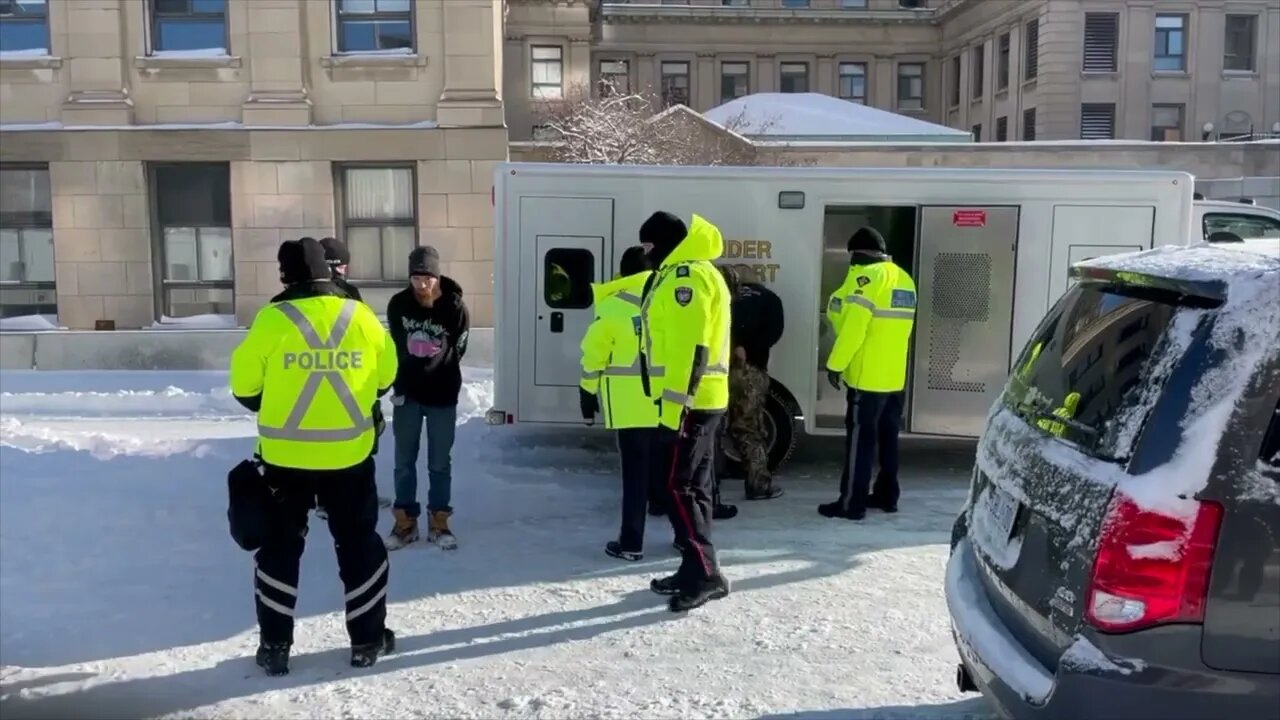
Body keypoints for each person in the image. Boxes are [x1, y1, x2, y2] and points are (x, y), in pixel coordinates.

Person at [229, 237, 398, 676]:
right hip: (349, 456)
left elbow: (245, 391)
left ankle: (275, 648)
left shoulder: (271, 320)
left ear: (285, 276)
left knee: (280, 549)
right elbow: (386, 380)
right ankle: (367, 640)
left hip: (285, 460)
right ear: (328, 271)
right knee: (358, 545)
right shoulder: (359, 315)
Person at [638, 210, 733, 612]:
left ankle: (706, 572)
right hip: (701, 399)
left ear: (665, 243)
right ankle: (694, 568)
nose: (645, 254)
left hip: (689, 403)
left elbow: (687, 348)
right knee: (693, 486)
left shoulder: (685, 279)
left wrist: (676, 406)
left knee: (678, 487)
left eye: (648, 246)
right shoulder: (693, 271)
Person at [819, 227, 917, 521]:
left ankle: (851, 503)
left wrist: (835, 364)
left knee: (860, 443)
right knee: (888, 440)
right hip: (894, 378)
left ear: (857, 253)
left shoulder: (867, 278)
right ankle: (887, 496)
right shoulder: (904, 279)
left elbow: (854, 330)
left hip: (866, 378)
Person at [384, 245, 470, 551]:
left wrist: (439, 370)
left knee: (439, 463)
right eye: (416, 278)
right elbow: (394, 344)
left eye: (427, 278)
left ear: (437, 276)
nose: (422, 284)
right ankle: (405, 523)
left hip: (442, 395)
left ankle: (439, 522)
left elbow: (460, 347)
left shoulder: (454, 306)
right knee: (403, 462)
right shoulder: (398, 304)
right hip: (407, 393)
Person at [579, 246, 662, 562]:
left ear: (622, 272)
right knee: (673, 476)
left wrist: (587, 392)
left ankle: (631, 543)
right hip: (666, 404)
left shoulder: (613, 307)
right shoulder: (666, 303)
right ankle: (686, 540)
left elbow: (593, 356)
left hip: (629, 409)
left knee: (634, 478)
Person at [314, 236, 389, 517]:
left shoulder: (304, 295)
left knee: (323, 437)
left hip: (317, 375)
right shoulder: (347, 294)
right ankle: (354, 496)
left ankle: (324, 499)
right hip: (350, 375)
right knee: (360, 437)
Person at [719, 264, 785, 501]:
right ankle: (758, 485)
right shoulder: (770, 299)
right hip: (752, 372)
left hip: (719, 372)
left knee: (714, 427)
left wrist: (735, 346)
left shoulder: (726, 298)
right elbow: (774, 333)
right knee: (749, 428)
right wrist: (749, 349)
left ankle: (709, 485)